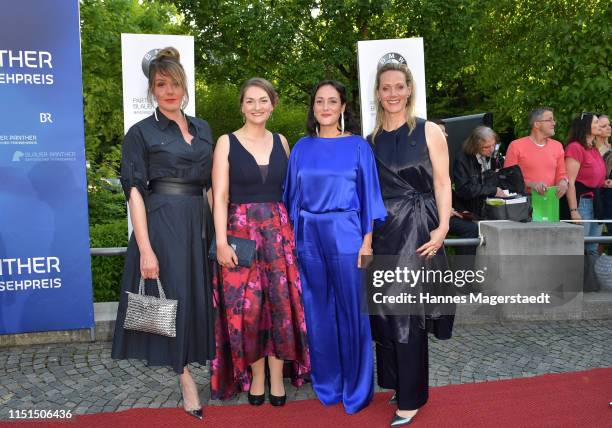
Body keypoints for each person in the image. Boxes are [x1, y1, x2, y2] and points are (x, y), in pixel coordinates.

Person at [111, 47, 215, 420]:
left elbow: (212, 185)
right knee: (171, 299)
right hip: (162, 223)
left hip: (197, 223)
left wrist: (218, 233)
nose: (169, 91)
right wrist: (145, 249)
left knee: (195, 298)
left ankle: (196, 361)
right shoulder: (140, 133)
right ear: (152, 90)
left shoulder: (203, 128)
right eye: (161, 84)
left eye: (174, 83)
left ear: (184, 85)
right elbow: (135, 192)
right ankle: (184, 377)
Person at [283, 80, 386, 414]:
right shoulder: (300, 148)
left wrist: (367, 241)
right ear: (312, 107)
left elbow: (370, 196)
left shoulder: (358, 147)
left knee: (352, 310)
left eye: (332, 101)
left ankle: (357, 387)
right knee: (317, 310)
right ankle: (328, 383)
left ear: (343, 107)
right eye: (319, 101)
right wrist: (294, 242)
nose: (325, 107)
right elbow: (291, 200)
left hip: (347, 233)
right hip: (308, 235)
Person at [210, 78, 310, 405]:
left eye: (263, 100)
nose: (257, 106)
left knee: (282, 307)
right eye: (250, 101)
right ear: (241, 106)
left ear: (273, 104)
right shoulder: (226, 142)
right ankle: (256, 377)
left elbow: (294, 194)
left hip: (280, 237)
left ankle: (278, 376)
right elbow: (220, 195)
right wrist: (221, 241)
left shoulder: (282, 142)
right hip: (240, 235)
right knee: (248, 309)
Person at [367, 63, 455, 427]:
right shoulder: (369, 141)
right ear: (377, 92)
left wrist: (444, 227)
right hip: (384, 229)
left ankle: (411, 397)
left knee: (407, 312)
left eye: (398, 87)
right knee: (384, 311)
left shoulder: (429, 130)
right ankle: (396, 381)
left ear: (409, 89)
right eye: (385, 88)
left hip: (419, 230)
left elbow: (443, 183)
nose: (392, 94)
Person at [564, 113, 608, 255]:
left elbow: (594, 175)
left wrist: (604, 182)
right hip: (582, 202)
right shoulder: (575, 147)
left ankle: (590, 278)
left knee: (592, 249)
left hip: (597, 201)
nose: (599, 125)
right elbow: (570, 181)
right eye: (595, 122)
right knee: (580, 247)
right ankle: (575, 278)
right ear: (585, 126)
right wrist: (573, 210)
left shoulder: (593, 148)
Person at [504, 107, 568, 197]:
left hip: (551, 199)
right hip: (523, 201)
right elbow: (507, 176)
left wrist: (563, 182)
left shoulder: (557, 146)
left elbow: (562, 173)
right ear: (537, 124)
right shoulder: (516, 146)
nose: (554, 123)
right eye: (549, 120)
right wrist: (531, 184)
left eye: (553, 120)